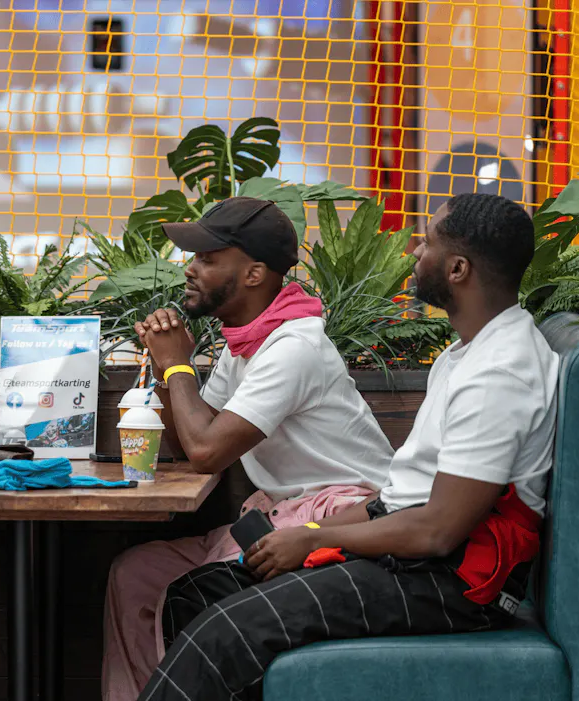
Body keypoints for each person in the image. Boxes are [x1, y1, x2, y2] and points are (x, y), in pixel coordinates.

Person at [138, 193, 558, 701]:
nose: (412, 254)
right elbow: (403, 500)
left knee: (224, 632)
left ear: (459, 269)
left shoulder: (500, 372)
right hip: (416, 552)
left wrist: (312, 538)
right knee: (202, 595)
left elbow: (438, 530)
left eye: (425, 244)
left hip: (455, 584)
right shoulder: (466, 352)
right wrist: (310, 532)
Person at [103, 197, 395, 700]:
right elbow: (190, 435)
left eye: (208, 258)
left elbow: (206, 452)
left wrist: (177, 366)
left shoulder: (292, 347)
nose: (190, 270)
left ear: (255, 273)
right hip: (279, 513)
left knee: (181, 592)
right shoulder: (246, 342)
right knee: (135, 575)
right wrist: (166, 365)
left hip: (337, 523)